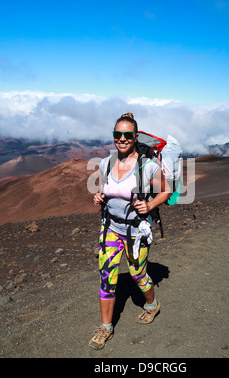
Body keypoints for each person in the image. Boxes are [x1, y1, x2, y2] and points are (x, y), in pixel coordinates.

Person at [89, 113, 171, 350]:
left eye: (127, 135)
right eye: (118, 134)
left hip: (136, 231)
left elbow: (166, 190)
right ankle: (106, 328)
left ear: (135, 137)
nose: (122, 139)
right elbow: (106, 191)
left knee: (137, 274)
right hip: (110, 229)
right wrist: (99, 197)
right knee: (107, 278)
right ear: (113, 136)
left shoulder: (148, 166)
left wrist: (150, 205)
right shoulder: (106, 163)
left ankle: (152, 305)